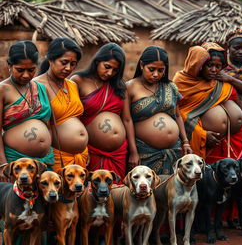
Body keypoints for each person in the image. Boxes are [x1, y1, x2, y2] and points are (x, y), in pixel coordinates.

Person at [173, 42, 242, 163]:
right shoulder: (184, 82)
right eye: (210, 65)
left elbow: (241, 95)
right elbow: (181, 112)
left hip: (233, 142)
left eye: (218, 66)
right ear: (200, 65)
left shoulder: (220, 80)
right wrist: (203, 134)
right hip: (208, 145)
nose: (214, 70)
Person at [71, 42, 139, 181]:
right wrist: (80, 149)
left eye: (115, 70)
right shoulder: (78, 81)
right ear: (97, 61)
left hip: (118, 153)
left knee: (115, 191)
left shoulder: (119, 86)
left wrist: (133, 152)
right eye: (107, 67)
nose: (110, 73)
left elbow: (126, 119)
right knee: (91, 192)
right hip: (91, 149)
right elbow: (72, 116)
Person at [127, 46, 192, 175]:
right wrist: (133, 152)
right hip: (145, 152)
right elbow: (127, 120)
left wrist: (185, 142)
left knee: (171, 191)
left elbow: (177, 116)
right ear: (141, 65)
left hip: (174, 151)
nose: (156, 74)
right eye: (151, 69)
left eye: (161, 70)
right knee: (146, 189)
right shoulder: (130, 87)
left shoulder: (170, 86)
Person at [0, 40, 54, 177]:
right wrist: (3, 165)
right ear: (9, 65)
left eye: (31, 70)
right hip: (16, 164)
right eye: (20, 70)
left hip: (44, 163)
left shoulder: (40, 88)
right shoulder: (3, 90)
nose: (26, 75)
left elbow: (50, 126)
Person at [35, 37, 89, 172]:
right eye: (64, 62)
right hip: (56, 156)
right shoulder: (37, 85)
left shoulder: (72, 85)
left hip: (80, 156)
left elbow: (77, 119)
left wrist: (84, 149)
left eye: (73, 64)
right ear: (50, 59)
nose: (68, 68)